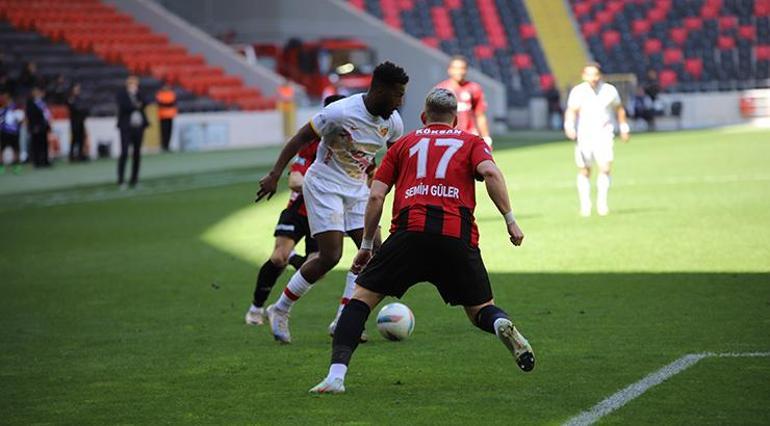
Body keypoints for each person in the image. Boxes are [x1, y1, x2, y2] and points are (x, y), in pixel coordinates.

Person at [309, 88, 534, 394]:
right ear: (455, 120)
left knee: (360, 299)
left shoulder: (403, 144)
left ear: (423, 117)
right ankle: (499, 325)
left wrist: (365, 247)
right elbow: (491, 174)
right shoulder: (471, 141)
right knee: (481, 309)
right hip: (456, 236)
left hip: (408, 234)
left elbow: (376, 195)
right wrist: (510, 221)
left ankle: (336, 376)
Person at [255, 61, 408, 344]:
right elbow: (301, 137)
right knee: (330, 256)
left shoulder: (393, 122)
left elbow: (395, 159)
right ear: (379, 90)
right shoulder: (340, 112)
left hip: (357, 190)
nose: (400, 101)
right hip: (324, 185)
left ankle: (342, 319)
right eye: (397, 94)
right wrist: (275, 174)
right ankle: (280, 308)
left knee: (375, 253)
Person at [245, 95, 345, 326]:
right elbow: (294, 181)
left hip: (322, 217)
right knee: (278, 257)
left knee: (318, 269)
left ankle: (277, 307)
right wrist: (325, 187)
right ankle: (255, 309)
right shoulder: (312, 143)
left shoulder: (349, 144)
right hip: (299, 210)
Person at [564, 63, 630, 217]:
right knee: (585, 170)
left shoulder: (609, 90)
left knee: (605, 168)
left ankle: (602, 204)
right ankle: (585, 205)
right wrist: (569, 127)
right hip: (584, 135)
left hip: (604, 134)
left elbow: (619, 109)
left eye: (595, 74)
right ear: (584, 76)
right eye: (589, 74)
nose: (593, 78)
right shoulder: (578, 91)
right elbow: (571, 111)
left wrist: (624, 128)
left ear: (600, 75)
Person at [435, 55, 492, 146]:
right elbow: (435, 117)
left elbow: (480, 115)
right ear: (449, 70)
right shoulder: (441, 89)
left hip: (470, 136)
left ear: (466, 70)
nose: (459, 72)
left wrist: (486, 137)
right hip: (449, 137)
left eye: (462, 68)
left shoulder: (474, 88)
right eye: (456, 68)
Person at [116, 76, 148, 189]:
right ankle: (121, 180)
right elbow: (125, 107)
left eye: (135, 84)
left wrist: (137, 100)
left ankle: (134, 179)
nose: (133, 86)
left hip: (138, 127)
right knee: (124, 153)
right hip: (126, 127)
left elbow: (145, 102)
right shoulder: (122, 94)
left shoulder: (139, 94)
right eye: (131, 84)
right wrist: (135, 105)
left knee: (137, 154)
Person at [25, 86, 52, 168]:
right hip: (35, 126)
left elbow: (46, 113)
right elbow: (30, 116)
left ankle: (45, 160)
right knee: (36, 145)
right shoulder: (30, 103)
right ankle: (37, 162)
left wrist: (48, 123)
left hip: (43, 126)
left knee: (44, 144)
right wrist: (33, 126)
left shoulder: (42, 102)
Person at [0, 91, 24, 174]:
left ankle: (16, 166)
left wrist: (17, 126)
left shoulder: (15, 108)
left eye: (6, 98)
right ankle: (1, 167)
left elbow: (21, 119)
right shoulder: (2, 109)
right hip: (4, 132)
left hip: (14, 132)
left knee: (16, 150)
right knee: (2, 149)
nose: (4, 99)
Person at [67, 83, 89, 162]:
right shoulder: (71, 99)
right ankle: (72, 156)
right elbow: (75, 109)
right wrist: (81, 110)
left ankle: (80, 155)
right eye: (76, 89)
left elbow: (85, 109)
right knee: (74, 140)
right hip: (74, 122)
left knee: (81, 139)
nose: (77, 90)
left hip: (81, 121)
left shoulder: (80, 99)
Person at [155, 83, 177, 152]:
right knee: (163, 131)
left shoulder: (171, 93)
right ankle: (163, 145)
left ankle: (167, 145)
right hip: (162, 115)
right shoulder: (160, 94)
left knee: (169, 131)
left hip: (170, 115)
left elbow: (172, 103)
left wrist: (166, 104)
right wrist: (167, 104)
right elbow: (161, 103)